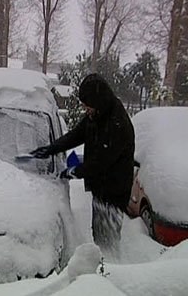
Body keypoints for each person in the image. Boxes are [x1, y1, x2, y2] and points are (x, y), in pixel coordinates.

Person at [30, 73, 135, 259]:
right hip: (102, 187)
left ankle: (111, 269)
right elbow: (78, 134)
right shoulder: (99, 113)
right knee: (98, 232)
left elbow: (99, 163)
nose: (85, 108)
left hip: (114, 192)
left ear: (98, 101)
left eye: (88, 105)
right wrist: (51, 149)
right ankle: (103, 262)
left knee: (107, 238)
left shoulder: (117, 124)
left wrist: (74, 171)